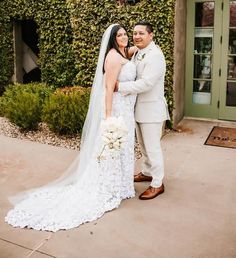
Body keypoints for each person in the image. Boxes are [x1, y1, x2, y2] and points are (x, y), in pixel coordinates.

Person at [5, 24, 137, 232]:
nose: (124, 37)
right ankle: (111, 187)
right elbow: (108, 88)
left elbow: (128, 53)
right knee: (112, 149)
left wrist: (135, 49)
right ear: (112, 38)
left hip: (126, 109)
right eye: (119, 35)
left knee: (122, 148)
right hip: (117, 109)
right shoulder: (112, 57)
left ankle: (121, 185)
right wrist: (109, 118)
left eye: (125, 34)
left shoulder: (122, 52)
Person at [117, 20, 169, 200]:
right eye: (135, 33)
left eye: (141, 33)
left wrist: (119, 87)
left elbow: (147, 83)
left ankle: (157, 183)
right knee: (143, 145)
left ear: (151, 35)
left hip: (151, 110)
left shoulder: (155, 55)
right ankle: (147, 171)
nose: (137, 36)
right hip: (138, 109)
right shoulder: (139, 52)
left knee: (153, 147)